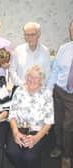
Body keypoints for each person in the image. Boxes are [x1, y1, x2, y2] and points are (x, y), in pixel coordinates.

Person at [6, 65, 54, 168]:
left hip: (37, 131)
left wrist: (36, 138)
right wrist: (15, 133)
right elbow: (12, 114)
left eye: (35, 77)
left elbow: (49, 121)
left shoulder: (46, 93)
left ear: (41, 80)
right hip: (18, 129)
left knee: (30, 157)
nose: (31, 79)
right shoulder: (19, 91)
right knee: (12, 153)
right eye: (29, 76)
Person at [47, 20, 73, 168]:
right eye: (71, 29)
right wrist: (50, 89)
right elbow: (55, 70)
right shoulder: (64, 48)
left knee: (68, 126)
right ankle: (59, 146)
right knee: (58, 121)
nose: (72, 32)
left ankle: (67, 155)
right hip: (59, 91)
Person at [9, 22, 50, 95]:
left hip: (38, 91)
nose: (29, 38)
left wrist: (38, 86)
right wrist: (22, 84)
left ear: (38, 34)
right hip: (20, 89)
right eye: (26, 35)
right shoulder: (18, 50)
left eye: (32, 34)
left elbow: (47, 73)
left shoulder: (45, 51)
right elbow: (12, 70)